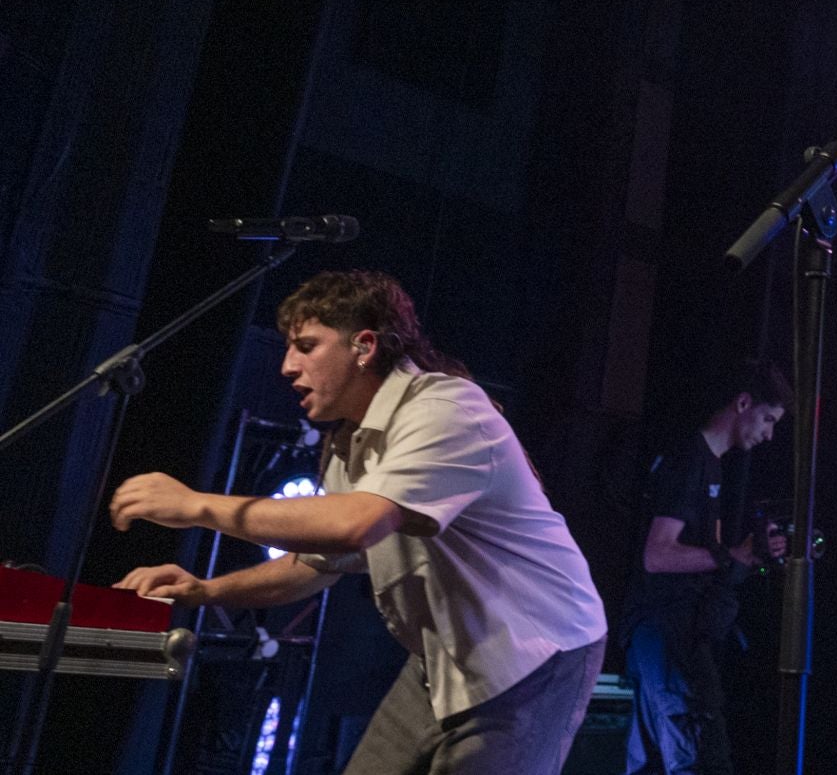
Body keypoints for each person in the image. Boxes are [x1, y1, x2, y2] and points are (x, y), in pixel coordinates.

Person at [112, 270, 607, 775]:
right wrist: (206, 591)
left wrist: (196, 505)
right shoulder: (351, 444)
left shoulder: (444, 409)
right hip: (445, 659)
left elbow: (356, 524)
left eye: (307, 346)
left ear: (364, 346)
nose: (287, 366)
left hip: (533, 652)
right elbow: (316, 564)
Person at [621, 358, 790, 775]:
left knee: (655, 763)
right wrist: (730, 555)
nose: (768, 434)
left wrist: (744, 556)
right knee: (698, 761)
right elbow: (657, 555)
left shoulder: (710, 463)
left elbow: (700, 559)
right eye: (768, 419)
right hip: (667, 633)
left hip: (667, 635)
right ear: (743, 403)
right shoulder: (689, 459)